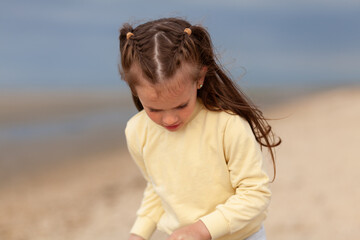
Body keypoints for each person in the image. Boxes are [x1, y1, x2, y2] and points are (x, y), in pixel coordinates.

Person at [118, 17, 281, 240]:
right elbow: (157, 189)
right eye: (154, 109)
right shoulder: (137, 132)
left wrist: (202, 229)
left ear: (200, 78)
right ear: (134, 89)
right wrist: (139, 232)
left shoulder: (227, 125)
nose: (168, 119)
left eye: (181, 105)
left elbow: (255, 194)